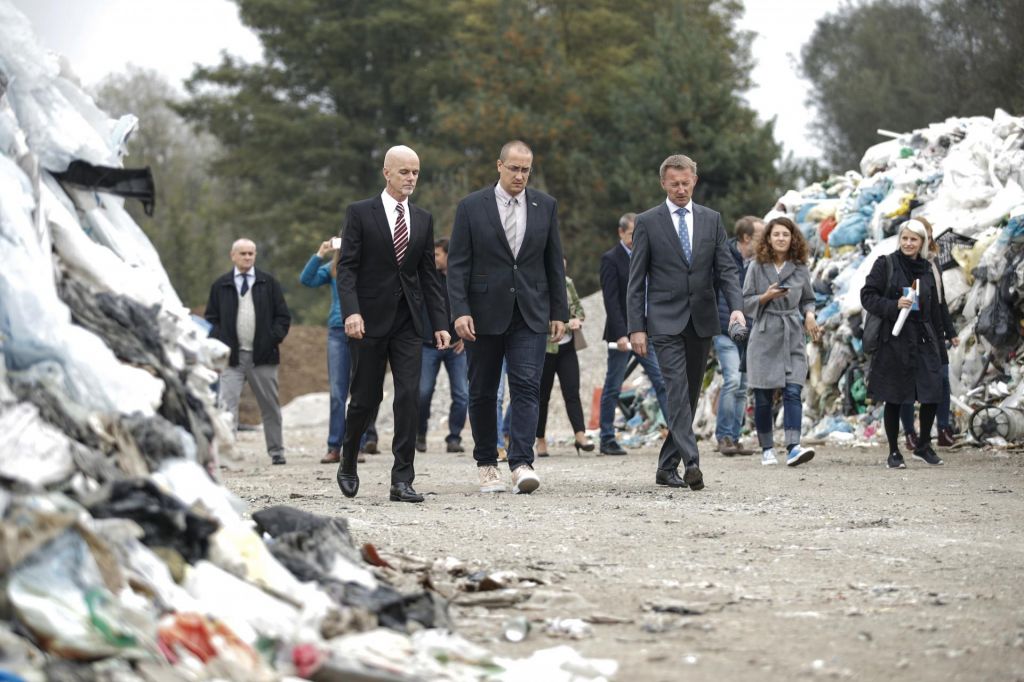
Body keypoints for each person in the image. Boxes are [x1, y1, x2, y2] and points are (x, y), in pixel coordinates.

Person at [447, 140, 569, 494]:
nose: (519, 175)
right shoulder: (471, 206)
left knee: (527, 387)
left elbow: (553, 262)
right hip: (481, 315)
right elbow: (457, 265)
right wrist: (459, 311)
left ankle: (521, 463)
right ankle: (487, 464)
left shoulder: (544, 205)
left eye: (525, 170)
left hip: (530, 313)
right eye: (513, 168)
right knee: (484, 392)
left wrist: (558, 310)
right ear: (498, 166)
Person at [335, 145, 451, 503]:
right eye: (404, 172)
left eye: (415, 172)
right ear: (387, 173)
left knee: (409, 396)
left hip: (408, 323)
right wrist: (351, 312)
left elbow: (428, 276)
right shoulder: (360, 213)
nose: (411, 178)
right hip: (368, 321)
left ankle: (402, 479)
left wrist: (440, 322)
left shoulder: (423, 218)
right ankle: (348, 459)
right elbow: (347, 268)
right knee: (366, 398)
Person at [626, 154, 744, 491]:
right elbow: (636, 281)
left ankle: (666, 467)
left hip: (702, 319)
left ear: (694, 181)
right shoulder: (648, 222)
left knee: (690, 395)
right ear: (663, 183)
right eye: (674, 183)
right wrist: (637, 326)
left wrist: (736, 307)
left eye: (686, 183)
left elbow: (726, 270)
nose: (680, 189)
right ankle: (692, 462)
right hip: (663, 319)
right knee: (676, 389)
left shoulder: (711, 220)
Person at [860, 218, 947, 469]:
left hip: (923, 338)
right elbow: (867, 296)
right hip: (894, 339)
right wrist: (893, 305)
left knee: (932, 392)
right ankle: (894, 452)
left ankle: (922, 446)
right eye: (905, 238)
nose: (908, 243)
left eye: (914, 239)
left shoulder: (927, 269)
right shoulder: (885, 264)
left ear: (922, 243)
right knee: (895, 396)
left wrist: (940, 342)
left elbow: (935, 309)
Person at [742, 216, 821, 466]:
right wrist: (765, 297)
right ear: (768, 237)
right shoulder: (756, 266)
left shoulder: (800, 267)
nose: (781, 238)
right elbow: (744, 302)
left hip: (792, 333)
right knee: (764, 395)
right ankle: (767, 448)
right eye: (776, 234)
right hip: (764, 334)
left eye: (785, 235)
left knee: (793, 390)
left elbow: (808, 298)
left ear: (792, 238)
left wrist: (809, 315)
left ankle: (793, 447)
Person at [206, 238, 291, 465]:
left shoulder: (269, 283)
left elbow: (283, 317)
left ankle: (276, 451)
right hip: (231, 359)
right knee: (226, 407)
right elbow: (211, 320)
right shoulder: (221, 285)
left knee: (270, 407)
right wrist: (221, 344)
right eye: (242, 253)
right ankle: (227, 453)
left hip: (263, 357)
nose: (247, 257)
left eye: (251, 253)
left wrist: (272, 339)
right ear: (233, 256)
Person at [299, 239, 378, 465]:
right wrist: (320, 253)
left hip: (364, 331)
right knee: (337, 392)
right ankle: (334, 446)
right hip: (337, 330)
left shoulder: (370, 264)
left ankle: (357, 446)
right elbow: (306, 280)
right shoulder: (333, 268)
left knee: (360, 391)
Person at [598, 213, 671, 456]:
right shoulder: (611, 259)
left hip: (646, 330)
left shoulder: (648, 257)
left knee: (660, 379)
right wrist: (620, 334)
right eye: (632, 235)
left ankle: (676, 433)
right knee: (613, 385)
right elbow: (611, 300)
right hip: (621, 335)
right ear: (621, 233)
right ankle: (607, 437)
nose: (637, 239)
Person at [897, 217, 959, 449]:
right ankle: (910, 433)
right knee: (907, 385)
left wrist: (950, 331)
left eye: (923, 236)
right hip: (911, 332)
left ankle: (942, 428)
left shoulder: (933, 264)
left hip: (934, 332)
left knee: (941, 379)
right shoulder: (904, 265)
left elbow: (940, 302)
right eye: (908, 237)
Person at [713, 215, 764, 456]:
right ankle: (723, 437)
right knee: (732, 380)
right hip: (724, 330)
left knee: (743, 386)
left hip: (750, 331)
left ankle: (735, 437)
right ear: (746, 238)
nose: (764, 241)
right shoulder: (723, 257)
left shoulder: (760, 263)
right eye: (759, 236)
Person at [536, 260, 594, 457]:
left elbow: (580, 309)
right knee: (542, 396)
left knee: (572, 391)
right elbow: (541, 319)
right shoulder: (538, 285)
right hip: (546, 348)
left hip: (567, 347)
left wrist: (577, 318)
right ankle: (540, 439)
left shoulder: (568, 283)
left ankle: (580, 435)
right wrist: (569, 324)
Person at [417, 238, 469, 454]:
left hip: (456, 347)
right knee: (423, 392)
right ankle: (420, 434)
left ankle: (454, 437)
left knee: (462, 394)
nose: (434, 258)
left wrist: (465, 338)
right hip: (429, 345)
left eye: (437, 255)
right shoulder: (427, 278)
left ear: (448, 255)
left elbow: (472, 308)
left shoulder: (461, 279)